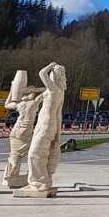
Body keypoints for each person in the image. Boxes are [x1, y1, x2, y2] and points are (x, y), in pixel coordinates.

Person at [22, 63, 66, 195]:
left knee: (35, 154)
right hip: (48, 123)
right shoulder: (56, 90)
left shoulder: (54, 89)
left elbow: (42, 73)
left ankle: (40, 182)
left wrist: (51, 65)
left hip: (45, 123)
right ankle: (41, 181)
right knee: (42, 153)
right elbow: (37, 101)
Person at [3, 70, 42, 188]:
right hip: (25, 131)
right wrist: (35, 90)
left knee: (15, 154)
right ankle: (20, 174)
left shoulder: (20, 104)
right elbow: (48, 91)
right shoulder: (34, 103)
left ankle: (10, 175)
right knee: (33, 152)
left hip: (16, 130)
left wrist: (12, 90)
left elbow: (7, 104)